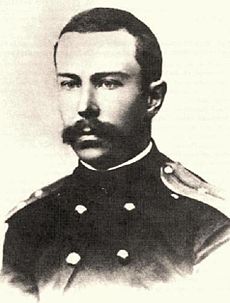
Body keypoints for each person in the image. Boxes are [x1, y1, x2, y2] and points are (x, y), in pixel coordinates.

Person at [1, 7, 229, 298]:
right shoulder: (31, 224)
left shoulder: (209, 225)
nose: (85, 105)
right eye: (70, 83)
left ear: (152, 99)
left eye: (108, 83)